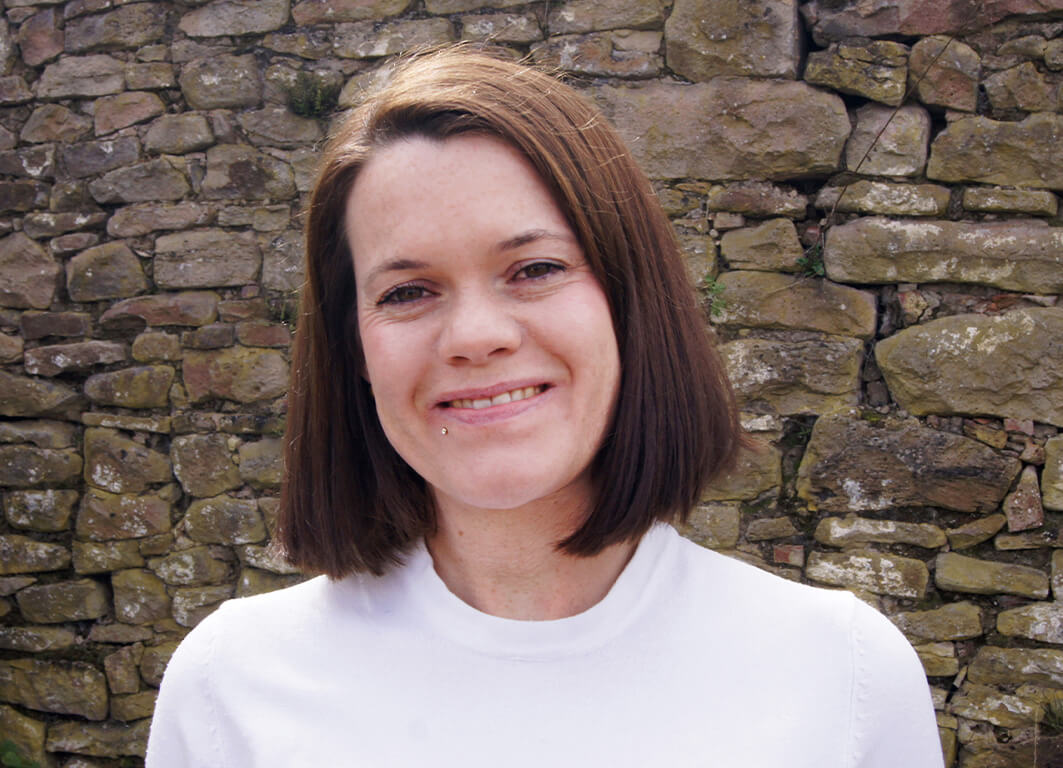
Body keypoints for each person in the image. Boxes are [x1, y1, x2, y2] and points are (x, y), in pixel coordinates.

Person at [147, 48, 944, 767]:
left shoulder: (840, 676)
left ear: (630, 302)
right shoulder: (231, 690)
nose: (475, 336)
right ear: (351, 349)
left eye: (533, 269)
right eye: (408, 291)